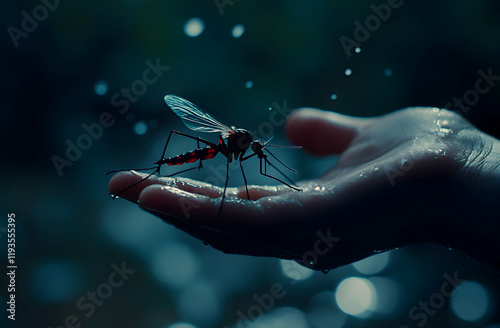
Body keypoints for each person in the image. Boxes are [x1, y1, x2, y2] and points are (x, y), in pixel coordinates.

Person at [108, 107, 500, 272]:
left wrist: (462, 169)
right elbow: (233, 158)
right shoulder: (234, 142)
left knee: (209, 166)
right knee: (192, 159)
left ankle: (149, 174)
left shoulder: (246, 146)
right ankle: (148, 172)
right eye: (256, 149)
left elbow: (255, 157)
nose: (258, 152)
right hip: (207, 150)